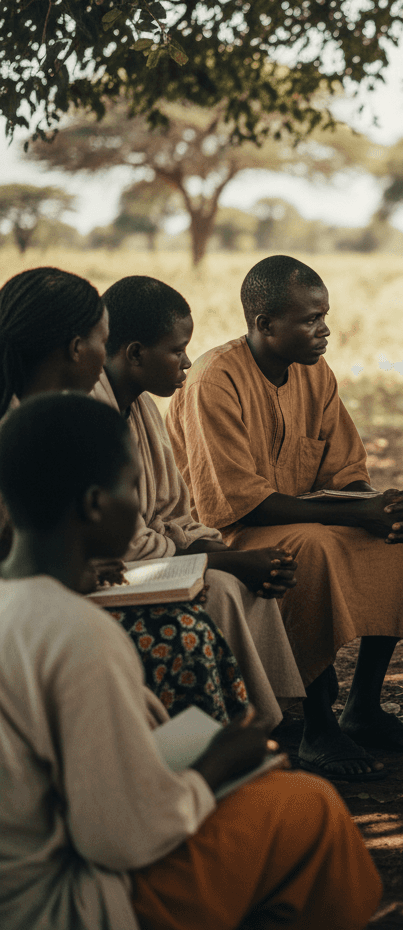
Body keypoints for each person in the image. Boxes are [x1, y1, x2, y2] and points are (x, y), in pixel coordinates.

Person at [0, 393, 382, 930]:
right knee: (309, 806)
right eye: (131, 486)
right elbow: (121, 836)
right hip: (65, 906)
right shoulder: (76, 630)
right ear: (92, 505)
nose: (140, 504)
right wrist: (216, 763)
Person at [167, 254, 403, 780]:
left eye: (325, 316)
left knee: (395, 540)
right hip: (230, 535)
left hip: (308, 517)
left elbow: (345, 472)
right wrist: (356, 512)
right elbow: (238, 502)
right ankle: (316, 722)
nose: (325, 330)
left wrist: (378, 507)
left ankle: (363, 706)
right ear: (264, 325)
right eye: (311, 320)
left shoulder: (316, 375)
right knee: (311, 548)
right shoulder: (213, 381)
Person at [0, 267, 248, 723]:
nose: (106, 354)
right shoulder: (22, 432)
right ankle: (198, 754)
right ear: (78, 348)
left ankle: (213, 737)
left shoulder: (63, 415)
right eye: (103, 339)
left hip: (50, 597)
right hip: (24, 618)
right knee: (182, 633)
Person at [97, 275, 307, 730]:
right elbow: (123, 543)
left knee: (248, 579)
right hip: (109, 570)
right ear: (134, 353)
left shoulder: (142, 407)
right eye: (176, 350)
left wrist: (225, 555)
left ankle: (270, 722)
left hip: (153, 555)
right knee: (227, 587)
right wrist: (224, 563)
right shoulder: (87, 413)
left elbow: (174, 513)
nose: (187, 361)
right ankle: (233, 726)